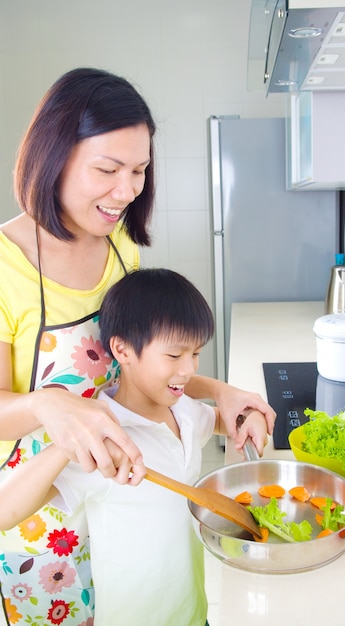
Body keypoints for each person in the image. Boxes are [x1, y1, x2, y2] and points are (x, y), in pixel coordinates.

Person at [0, 68, 275, 625]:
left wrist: (220, 393)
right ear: (53, 157)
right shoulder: (5, 268)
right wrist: (46, 405)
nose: (127, 191)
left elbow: (138, 368)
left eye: (140, 171)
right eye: (107, 169)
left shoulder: (121, 247)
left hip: (130, 499)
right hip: (45, 516)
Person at [0, 268, 269, 626]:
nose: (188, 369)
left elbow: (216, 420)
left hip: (192, 611)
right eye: (174, 356)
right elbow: (5, 510)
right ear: (122, 349)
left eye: (196, 354)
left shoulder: (183, 411)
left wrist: (243, 417)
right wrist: (67, 446)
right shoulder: (103, 438)